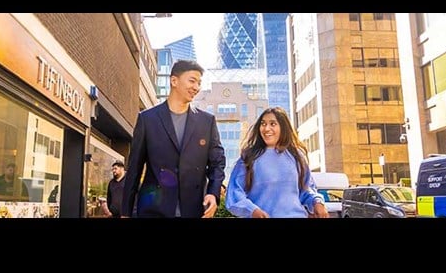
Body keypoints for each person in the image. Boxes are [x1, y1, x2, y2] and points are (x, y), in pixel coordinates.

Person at [121, 59, 226, 218]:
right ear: (174, 80)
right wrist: (125, 212)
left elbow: (217, 163)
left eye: (199, 83)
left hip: (194, 210)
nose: (196, 87)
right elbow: (134, 168)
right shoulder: (147, 119)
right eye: (192, 81)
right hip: (153, 210)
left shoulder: (207, 122)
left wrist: (213, 193)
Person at [225, 107, 329, 218]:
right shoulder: (249, 157)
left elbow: (306, 189)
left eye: (273, 124)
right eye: (263, 124)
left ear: (283, 128)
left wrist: (317, 203)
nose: (266, 129)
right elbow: (234, 193)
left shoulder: (297, 156)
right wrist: (253, 211)